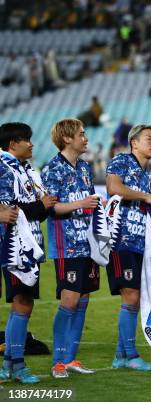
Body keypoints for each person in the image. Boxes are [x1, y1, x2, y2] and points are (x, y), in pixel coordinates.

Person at [105, 124, 151, 371]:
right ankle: (130, 355)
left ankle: (121, 355)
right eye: (149, 138)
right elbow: (113, 188)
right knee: (130, 296)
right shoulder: (121, 160)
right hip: (120, 240)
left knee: (134, 296)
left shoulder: (148, 176)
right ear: (134, 143)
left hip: (141, 243)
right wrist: (146, 198)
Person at [0, 122, 57, 384]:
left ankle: (11, 363)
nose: (32, 144)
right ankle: (16, 364)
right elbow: (11, 210)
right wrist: (39, 205)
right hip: (13, 247)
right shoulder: (4, 168)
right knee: (22, 302)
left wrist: (42, 206)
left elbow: (31, 211)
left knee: (23, 303)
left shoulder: (23, 169)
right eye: (27, 139)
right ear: (13, 144)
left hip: (26, 245)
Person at [42, 119, 100, 378]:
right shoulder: (52, 169)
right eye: (81, 134)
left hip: (87, 244)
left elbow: (87, 203)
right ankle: (58, 362)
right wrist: (81, 204)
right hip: (68, 246)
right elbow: (51, 208)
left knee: (84, 300)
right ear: (67, 139)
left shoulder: (85, 167)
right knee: (70, 300)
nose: (85, 138)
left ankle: (71, 358)